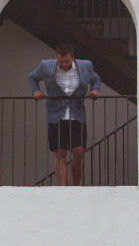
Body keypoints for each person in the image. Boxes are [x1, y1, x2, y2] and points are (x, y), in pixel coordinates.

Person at [27, 44, 101, 186]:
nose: (64, 64)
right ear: (57, 58)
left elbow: (96, 79)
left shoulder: (86, 66)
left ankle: (74, 187)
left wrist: (95, 91)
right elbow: (32, 77)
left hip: (77, 114)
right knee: (60, 152)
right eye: (61, 62)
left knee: (78, 151)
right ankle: (63, 189)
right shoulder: (46, 66)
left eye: (67, 61)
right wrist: (35, 92)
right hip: (56, 115)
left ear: (73, 57)